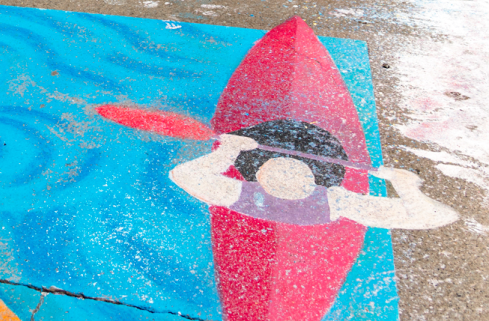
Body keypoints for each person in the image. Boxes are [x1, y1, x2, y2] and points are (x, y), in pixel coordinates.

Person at [170, 123, 458, 231]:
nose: (287, 169)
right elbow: (181, 173)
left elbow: (434, 217)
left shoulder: (336, 200)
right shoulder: (337, 202)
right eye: (280, 164)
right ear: (258, 174)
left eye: (296, 166)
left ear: (315, 176)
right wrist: (226, 154)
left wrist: (406, 188)